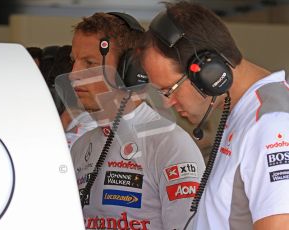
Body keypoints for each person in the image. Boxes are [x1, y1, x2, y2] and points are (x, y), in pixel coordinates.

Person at [140, 1, 289, 229]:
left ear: (210, 72)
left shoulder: (270, 125)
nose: (167, 102)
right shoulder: (245, 114)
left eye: (169, 89)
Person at [67, 11, 205, 230]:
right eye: (74, 62)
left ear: (130, 69)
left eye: (89, 62)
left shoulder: (170, 144)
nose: (74, 74)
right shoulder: (80, 147)